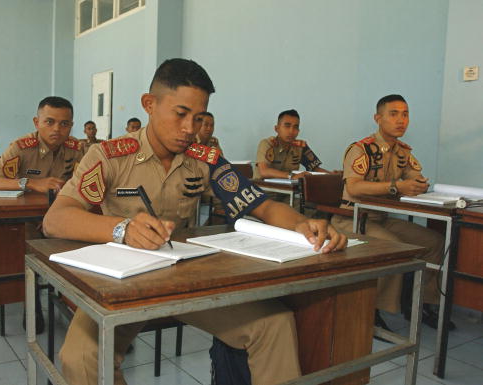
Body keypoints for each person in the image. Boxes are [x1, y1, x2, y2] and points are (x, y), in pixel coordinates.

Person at [43, 58, 347, 385]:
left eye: (198, 117)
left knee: (273, 323)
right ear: (150, 104)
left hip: (185, 281)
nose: (190, 128)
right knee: (80, 357)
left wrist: (303, 224)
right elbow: (55, 219)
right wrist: (123, 229)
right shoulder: (110, 155)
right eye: (181, 114)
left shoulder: (203, 159)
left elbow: (260, 205)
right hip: (123, 281)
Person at [330, 94, 449, 330]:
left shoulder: (402, 152)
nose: (401, 120)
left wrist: (418, 184)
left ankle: (421, 304)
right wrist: (396, 186)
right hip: (351, 218)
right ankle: (372, 312)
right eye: (393, 114)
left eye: (405, 114)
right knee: (394, 246)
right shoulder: (360, 149)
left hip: (381, 219)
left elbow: (415, 177)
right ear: (378, 118)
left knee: (435, 241)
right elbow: (353, 187)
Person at [0, 96, 82, 193]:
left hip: (61, 205)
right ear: (36, 123)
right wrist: (32, 183)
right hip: (25, 206)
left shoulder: (76, 149)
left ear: (71, 126)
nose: (57, 129)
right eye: (49, 122)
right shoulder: (21, 147)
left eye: (64, 124)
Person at [253, 109, 334, 180]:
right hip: (263, 192)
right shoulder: (267, 144)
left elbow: (315, 169)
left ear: (298, 131)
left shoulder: (300, 147)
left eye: (295, 127)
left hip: (287, 192)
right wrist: (291, 176)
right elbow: (264, 171)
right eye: (287, 126)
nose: (291, 131)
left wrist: (335, 175)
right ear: (277, 129)